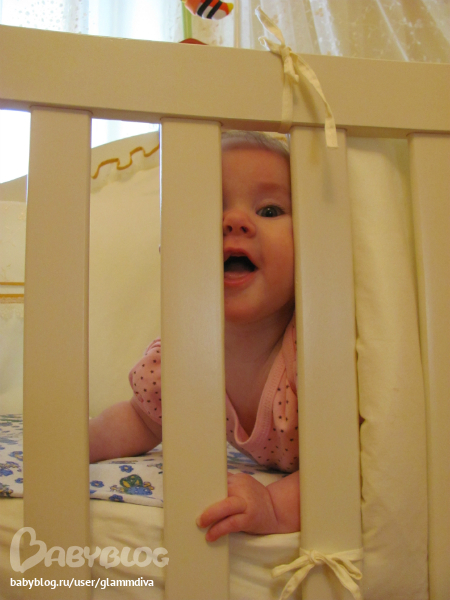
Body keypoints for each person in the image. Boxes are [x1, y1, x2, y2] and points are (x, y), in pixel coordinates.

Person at [89, 131, 300, 541]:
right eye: (209, 208)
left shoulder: (312, 351)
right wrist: (80, 441)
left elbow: (354, 463)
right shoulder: (182, 354)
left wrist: (274, 507)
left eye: (270, 210)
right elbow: (142, 420)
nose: (235, 222)